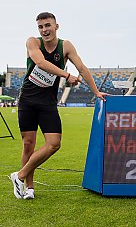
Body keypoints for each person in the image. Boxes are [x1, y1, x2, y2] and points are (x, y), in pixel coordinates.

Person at [10, 12, 107, 199]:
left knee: (54, 144)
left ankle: (19, 176)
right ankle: (29, 188)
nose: (44, 30)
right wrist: (66, 75)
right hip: (28, 100)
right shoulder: (33, 42)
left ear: (56, 26)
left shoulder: (66, 46)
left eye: (48, 25)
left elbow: (82, 68)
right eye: (41, 26)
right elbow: (40, 62)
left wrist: (95, 92)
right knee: (28, 145)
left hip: (47, 102)